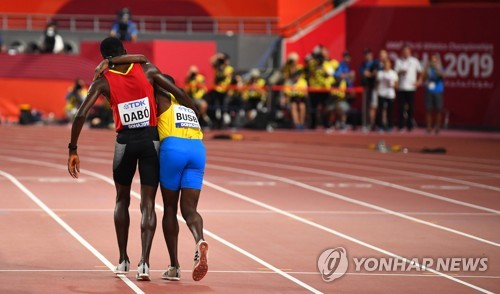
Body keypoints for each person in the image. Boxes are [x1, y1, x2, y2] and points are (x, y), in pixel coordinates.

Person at [67, 37, 196, 281]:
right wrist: (194, 116)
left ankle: (123, 260)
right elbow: (179, 93)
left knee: (121, 200)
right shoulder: (146, 69)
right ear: (124, 52)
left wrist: (73, 148)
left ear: (106, 59)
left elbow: (81, 114)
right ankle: (144, 263)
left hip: (124, 143)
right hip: (151, 142)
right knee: (148, 203)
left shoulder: (102, 81)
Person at [94, 54, 209, 282]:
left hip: (173, 149)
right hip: (198, 151)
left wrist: (109, 63)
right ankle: (199, 239)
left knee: (169, 209)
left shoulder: (161, 97)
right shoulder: (186, 105)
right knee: (190, 211)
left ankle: (175, 266)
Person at [395, 45, 422, 132]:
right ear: (402, 52)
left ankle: (410, 126)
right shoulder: (398, 61)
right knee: (401, 107)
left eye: (407, 51)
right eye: (404, 51)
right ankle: (401, 125)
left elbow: (422, 72)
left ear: (410, 52)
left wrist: (419, 81)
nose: (406, 53)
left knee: (411, 107)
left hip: (411, 88)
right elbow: (394, 74)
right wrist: (400, 72)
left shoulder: (414, 61)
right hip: (401, 87)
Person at [207, 53, 234, 129]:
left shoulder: (229, 68)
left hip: (225, 91)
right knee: (215, 107)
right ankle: (216, 122)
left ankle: (222, 124)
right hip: (217, 90)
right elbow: (211, 60)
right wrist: (218, 56)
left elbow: (225, 75)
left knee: (223, 107)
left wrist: (224, 63)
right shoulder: (217, 67)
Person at [421, 53, 445, 134]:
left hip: (438, 91)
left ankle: (437, 127)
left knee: (438, 110)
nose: (433, 62)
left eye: (435, 61)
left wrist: (437, 68)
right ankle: (429, 127)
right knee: (428, 109)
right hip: (429, 91)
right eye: (432, 60)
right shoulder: (428, 69)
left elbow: (443, 75)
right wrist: (427, 67)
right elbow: (423, 78)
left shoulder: (440, 68)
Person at [333, 51, 355, 131]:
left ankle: (342, 122)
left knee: (346, 107)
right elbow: (337, 75)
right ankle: (341, 122)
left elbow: (350, 80)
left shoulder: (347, 66)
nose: (347, 59)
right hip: (341, 91)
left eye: (348, 57)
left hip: (348, 90)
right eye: (346, 57)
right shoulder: (341, 65)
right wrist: (348, 75)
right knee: (341, 107)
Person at [376, 59, 398, 132]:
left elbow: (396, 85)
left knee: (390, 111)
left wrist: (392, 85)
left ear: (390, 65)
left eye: (388, 64)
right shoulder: (380, 73)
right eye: (385, 64)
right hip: (381, 93)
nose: (386, 66)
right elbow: (377, 83)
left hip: (390, 94)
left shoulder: (393, 73)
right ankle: (380, 126)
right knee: (381, 110)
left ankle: (389, 126)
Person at [359, 48, 378, 131]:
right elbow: (364, 73)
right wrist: (370, 74)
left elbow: (375, 74)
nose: (367, 56)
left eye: (369, 54)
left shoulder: (375, 63)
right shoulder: (363, 64)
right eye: (366, 54)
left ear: (371, 55)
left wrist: (370, 74)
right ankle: (367, 124)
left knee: (373, 106)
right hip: (366, 88)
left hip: (374, 87)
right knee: (366, 107)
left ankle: (373, 124)